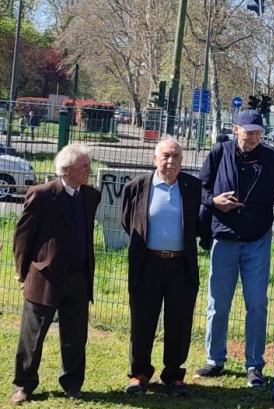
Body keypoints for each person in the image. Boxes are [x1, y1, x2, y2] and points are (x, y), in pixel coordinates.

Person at [196, 109, 274, 387]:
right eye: (247, 131)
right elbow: (200, 190)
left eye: (257, 132)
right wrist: (215, 201)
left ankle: (255, 365)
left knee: (257, 303)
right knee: (218, 304)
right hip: (224, 240)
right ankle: (214, 360)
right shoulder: (219, 153)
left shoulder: (273, 158)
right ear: (235, 129)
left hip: (257, 242)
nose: (252, 137)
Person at [11, 144, 101, 405]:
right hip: (45, 276)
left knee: (75, 335)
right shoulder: (41, 195)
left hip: (79, 276)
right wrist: (22, 272)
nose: (89, 170)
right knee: (33, 335)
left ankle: (72, 383)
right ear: (66, 169)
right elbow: (22, 237)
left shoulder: (90, 196)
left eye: (88, 164)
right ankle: (23, 385)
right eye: (84, 165)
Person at [120, 138, 201, 397]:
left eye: (176, 156)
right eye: (165, 156)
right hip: (148, 264)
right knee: (142, 320)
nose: (170, 161)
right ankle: (139, 374)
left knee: (179, 321)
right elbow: (127, 221)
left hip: (180, 265)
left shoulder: (192, 187)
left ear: (182, 160)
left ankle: (174, 376)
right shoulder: (137, 187)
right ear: (155, 159)